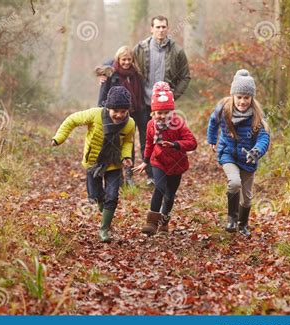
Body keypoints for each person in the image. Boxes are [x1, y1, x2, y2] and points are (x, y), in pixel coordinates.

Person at [99, 15, 191, 186]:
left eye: (164, 27)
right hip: (141, 102)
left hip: (163, 107)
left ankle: (154, 175)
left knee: (158, 138)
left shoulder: (177, 51)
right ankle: (129, 174)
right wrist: (105, 71)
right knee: (136, 137)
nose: (161, 30)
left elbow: (186, 76)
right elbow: (121, 58)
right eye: (157, 27)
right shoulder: (141, 48)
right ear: (152, 29)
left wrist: (172, 96)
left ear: (168, 28)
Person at [51, 86, 135, 243]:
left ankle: (104, 229)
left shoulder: (129, 123)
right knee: (95, 196)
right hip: (94, 162)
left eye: (123, 111)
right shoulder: (95, 115)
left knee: (112, 196)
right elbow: (72, 120)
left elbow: (128, 142)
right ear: (108, 107)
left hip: (114, 164)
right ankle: (104, 209)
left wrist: (126, 157)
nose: (119, 115)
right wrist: (59, 138)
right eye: (115, 111)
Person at [207, 69, 270, 237]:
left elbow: (264, 137)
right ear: (233, 95)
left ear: (252, 98)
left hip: (248, 159)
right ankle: (232, 219)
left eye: (246, 98)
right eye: (239, 97)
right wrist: (212, 139)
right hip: (227, 153)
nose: (242, 101)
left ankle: (243, 225)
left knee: (247, 198)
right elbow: (213, 121)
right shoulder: (223, 109)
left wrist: (256, 151)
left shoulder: (256, 116)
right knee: (234, 182)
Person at [134, 82, 197, 235]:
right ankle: (151, 223)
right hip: (159, 161)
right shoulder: (151, 125)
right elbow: (149, 143)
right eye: (159, 113)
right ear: (153, 113)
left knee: (169, 196)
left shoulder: (179, 124)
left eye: (166, 112)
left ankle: (164, 222)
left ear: (172, 112)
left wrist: (176, 144)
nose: (162, 116)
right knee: (160, 187)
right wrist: (145, 161)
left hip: (176, 164)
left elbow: (192, 143)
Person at [96, 46, 145, 187]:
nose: (126, 62)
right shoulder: (110, 73)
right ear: (118, 59)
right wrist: (102, 112)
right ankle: (115, 177)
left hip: (132, 114)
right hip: (113, 116)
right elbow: (102, 96)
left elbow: (139, 94)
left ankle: (129, 175)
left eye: (129, 59)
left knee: (129, 144)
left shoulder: (135, 74)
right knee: (114, 145)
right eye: (124, 59)